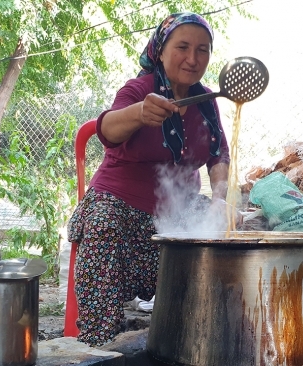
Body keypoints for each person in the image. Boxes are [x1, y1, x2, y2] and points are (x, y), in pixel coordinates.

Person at [67, 11, 236, 346]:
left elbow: (219, 154)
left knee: (235, 228)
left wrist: (219, 199)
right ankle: (101, 345)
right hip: (120, 205)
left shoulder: (206, 101)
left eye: (202, 50)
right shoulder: (139, 89)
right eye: (183, 47)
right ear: (160, 50)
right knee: (103, 223)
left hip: (176, 212)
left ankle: (201, 332)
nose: (192, 58)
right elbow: (107, 131)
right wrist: (138, 113)